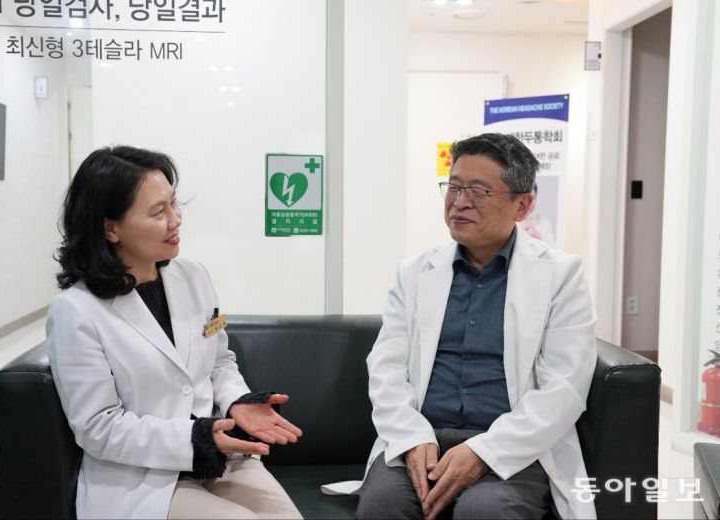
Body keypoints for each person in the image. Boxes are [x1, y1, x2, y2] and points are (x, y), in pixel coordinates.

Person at [47, 146, 303, 519]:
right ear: (110, 228)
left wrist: (237, 401)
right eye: (158, 212)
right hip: (142, 480)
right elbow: (98, 428)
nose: (176, 220)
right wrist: (196, 439)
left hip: (220, 459)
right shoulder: (75, 311)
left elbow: (220, 361)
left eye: (174, 203)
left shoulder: (194, 277)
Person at [355, 133, 597, 519]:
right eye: (454, 187)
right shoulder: (414, 272)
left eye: (479, 191)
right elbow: (385, 369)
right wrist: (411, 437)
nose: (460, 202)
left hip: (512, 445)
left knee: (485, 510)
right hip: (422, 440)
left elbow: (564, 389)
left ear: (523, 204)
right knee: (382, 505)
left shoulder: (561, 275)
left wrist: (484, 451)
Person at [521, 182, 556, 246]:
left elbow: (553, 249)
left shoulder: (544, 223)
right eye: (526, 198)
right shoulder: (510, 221)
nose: (530, 202)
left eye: (533, 198)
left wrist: (539, 238)